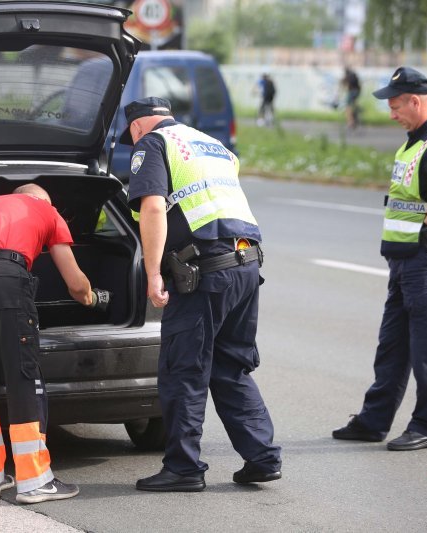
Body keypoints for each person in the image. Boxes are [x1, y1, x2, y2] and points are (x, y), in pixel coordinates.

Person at [120, 97, 282, 492]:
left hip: (204, 273)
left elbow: (154, 208)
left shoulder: (152, 144)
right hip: (245, 263)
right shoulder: (213, 144)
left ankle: (184, 468)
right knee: (229, 367)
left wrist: (153, 271)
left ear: (138, 127)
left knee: (183, 370)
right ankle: (262, 458)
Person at [0, 184, 110, 503]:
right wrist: (94, 298)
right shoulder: (48, 211)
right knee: (23, 378)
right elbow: (74, 282)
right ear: (43, 200)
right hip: (5, 280)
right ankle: (34, 482)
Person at [332, 67, 427, 451]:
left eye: (396, 106)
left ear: (416, 100)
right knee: (393, 344)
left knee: (426, 344)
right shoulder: (415, 140)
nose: (391, 113)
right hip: (405, 259)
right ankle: (374, 420)